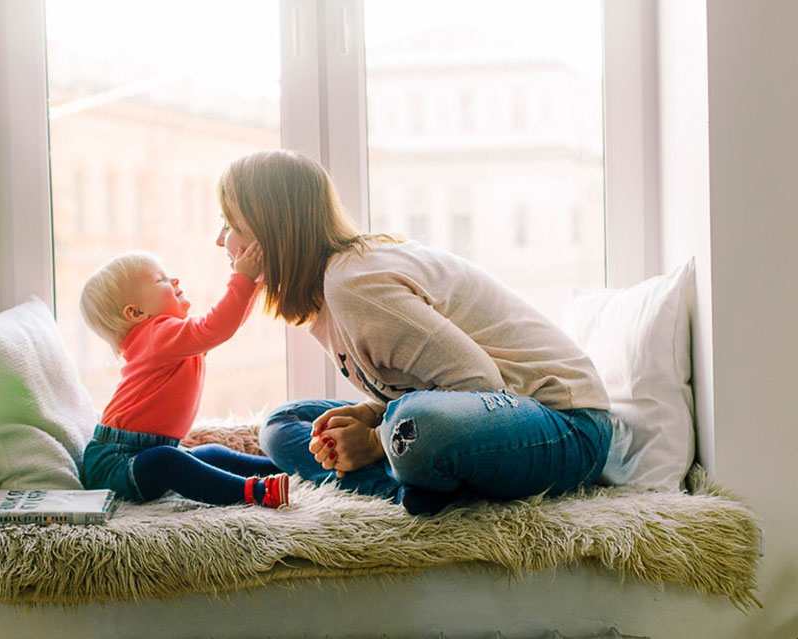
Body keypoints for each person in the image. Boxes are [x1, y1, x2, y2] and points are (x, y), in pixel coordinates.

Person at [214, 149, 620, 515]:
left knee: (413, 426)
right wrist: (371, 414)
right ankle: (410, 487)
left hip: (565, 425)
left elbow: (480, 383)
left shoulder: (353, 285)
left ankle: (406, 474)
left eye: (230, 224)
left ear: (271, 232)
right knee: (282, 425)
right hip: (484, 416)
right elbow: (430, 384)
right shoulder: (327, 294)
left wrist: (374, 439)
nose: (221, 240)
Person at [79, 246, 289, 508]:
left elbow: (224, 327)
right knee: (167, 461)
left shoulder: (168, 338)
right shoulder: (157, 335)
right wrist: (244, 280)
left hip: (142, 452)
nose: (174, 280)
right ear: (135, 313)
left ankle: (284, 468)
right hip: (115, 464)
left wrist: (254, 284)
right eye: (161, 280)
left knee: (211, 454)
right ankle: (255, 492)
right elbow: (217, 326)